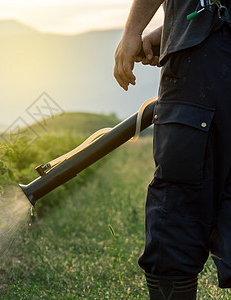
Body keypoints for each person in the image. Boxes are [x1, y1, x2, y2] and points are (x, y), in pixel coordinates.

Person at [114, 0, 231, 299]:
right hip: (208, 38)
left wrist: (132, 33)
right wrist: (174, 28)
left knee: (176, 212)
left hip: (200, 68)